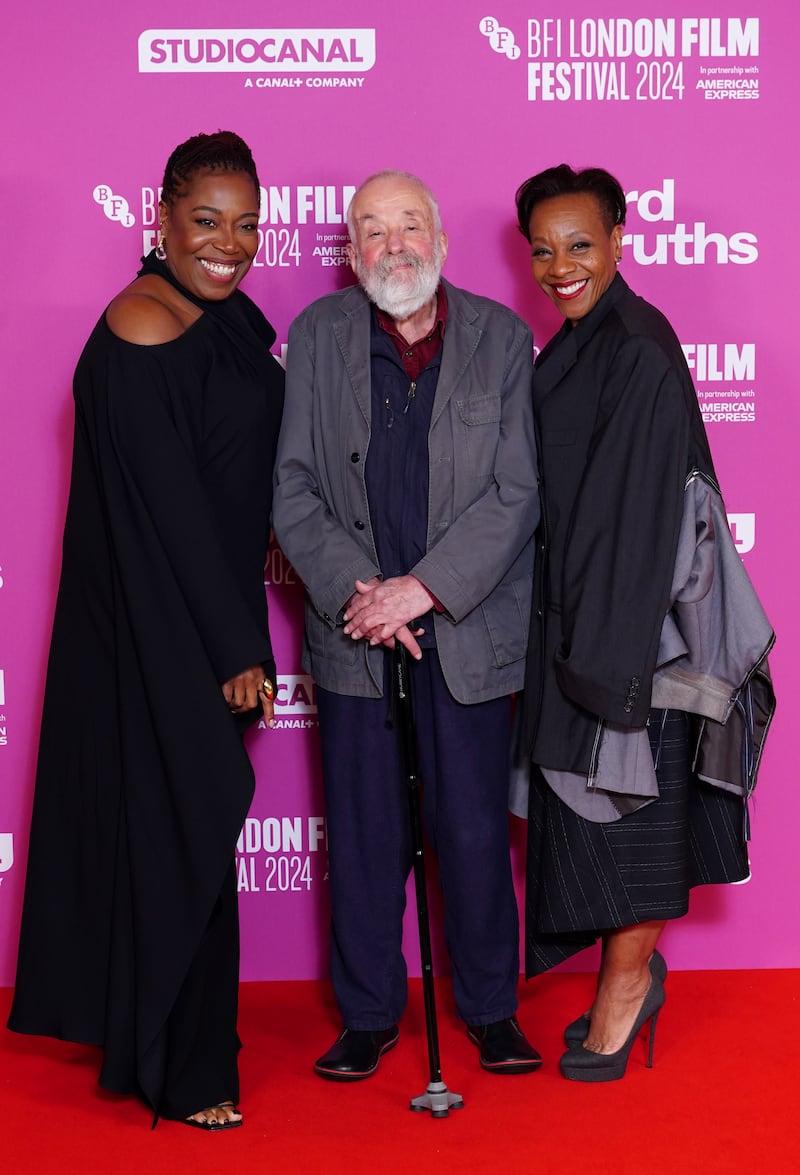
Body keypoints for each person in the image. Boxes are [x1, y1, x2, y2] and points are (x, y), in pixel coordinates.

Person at [8, 131, 285, 1129]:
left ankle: (173, 1039)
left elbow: (228, 454)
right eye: (205, 220)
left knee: (185, 833)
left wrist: (273, 535)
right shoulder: (139, 324)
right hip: (166, 631)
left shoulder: (209, 314)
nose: (228, 243)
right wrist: (233, 649)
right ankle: (184, 1067)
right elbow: (167, 509)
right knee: (185, 831)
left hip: (206, 610)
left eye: (246, 223)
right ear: (158, 217)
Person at [273, 170, 541, 1081]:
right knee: (363, 832)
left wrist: (421, 589)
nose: (395, 245)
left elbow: (516, 495)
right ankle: (368, 1014)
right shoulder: (315, 337)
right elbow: (294, 487)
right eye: (373, 231)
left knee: (470, 829)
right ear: (350, 254)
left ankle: (491, 1009)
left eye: (410, 224)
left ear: (441, 240)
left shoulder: (504, 339)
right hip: (356, 633)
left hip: (463, 631)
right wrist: (367, 594)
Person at [513, 164, 775, 1082]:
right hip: (591, 630)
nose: (559, 266)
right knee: (600, 831)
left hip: (636, 642)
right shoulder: (582, 340)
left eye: (579, 244)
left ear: (620, 239)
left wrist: (607, 679)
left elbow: (641, 523)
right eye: (541, 250)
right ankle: (623, 980)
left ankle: (626, 992)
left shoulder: (637, 346)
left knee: (629, 821)